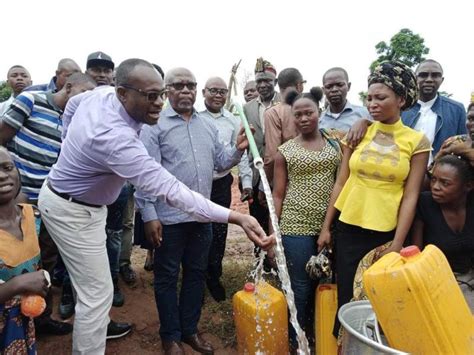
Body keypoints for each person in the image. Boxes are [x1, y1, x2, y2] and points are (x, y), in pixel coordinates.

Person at [37, 58, 272, 355]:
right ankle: (155, 338)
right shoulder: (115, 138)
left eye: (160, 93)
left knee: (183, 276)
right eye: (152, 95)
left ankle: (187, 330)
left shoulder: (103, 95)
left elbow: (72, 105)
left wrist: (68, 144)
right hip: (74, 210)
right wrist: (236, 217)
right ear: (123, 93)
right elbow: (169, 189)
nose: (159, 102)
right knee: (98, 296)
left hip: (93, 207)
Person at [136, 68, 252, 354]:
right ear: (167, 91)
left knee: (196, 274)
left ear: (196, 90)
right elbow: (144, 174)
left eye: (190, 85)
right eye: (179, 86)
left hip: (202, 217)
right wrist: (149, 214)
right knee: (166, 277)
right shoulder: (155, 126)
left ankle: (189, 330)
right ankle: (170, 336)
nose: (185, 90)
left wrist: (237, 150)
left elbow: (221, 162)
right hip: (168, 219)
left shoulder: (207, 126)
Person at [318, 61, 431, 336]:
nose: (372, 104)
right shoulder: (358, 133)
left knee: (379, 301)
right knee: (347, 297)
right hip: (349, 227)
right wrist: (325, 227)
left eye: (381, 98)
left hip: (386, 233)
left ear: (401, 99)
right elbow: (341, 182)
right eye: (369, 98)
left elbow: (411, 195)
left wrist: (397, 244)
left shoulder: (417, 141)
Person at [0, 73, 96, 335]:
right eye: (84, 96)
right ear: (67, 87)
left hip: (48, 205)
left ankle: (39, 319)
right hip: (15, 199)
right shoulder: (30, 101)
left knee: (43, 262)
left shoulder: (77, 121)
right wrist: (13, 187)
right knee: (9, 265)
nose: (88, 104)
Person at [272, 87, 342, 351]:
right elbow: (278, 195)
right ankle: (297, 340)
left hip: (330, 226)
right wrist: (274, 234)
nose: (303, 118)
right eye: (297, 114)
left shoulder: (336, 145)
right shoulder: (285, 151)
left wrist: (328, 226)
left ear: (319, 112)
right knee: (300, 286)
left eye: (308, 113)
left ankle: (321, 334)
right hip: (295, 225)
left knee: (324, 283)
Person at [199, 76, 252, 302]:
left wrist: (246, 182)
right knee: (197, 230)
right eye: (213, 90)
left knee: (219, 232)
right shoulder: (194, 119)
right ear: (204, 92)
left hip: (220, 183)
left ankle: (214, 276)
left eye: (222, 91)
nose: (218, 95)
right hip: (197, 184)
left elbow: (240, 154)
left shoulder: (232, 121)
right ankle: (196, 278)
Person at [0, 147, 50, 354]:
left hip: (24, 322)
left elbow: (42, 264)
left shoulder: (32, 215)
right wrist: (18, 284)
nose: (2, 175)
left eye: (7, 167)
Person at [412, 153, 474, 311]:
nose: (435, 186)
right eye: (433, 179)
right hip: (436, 281)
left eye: (445, 183)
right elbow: (416, 256)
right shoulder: (424, 203)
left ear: (468, 186)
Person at [243, 58, 281, 233]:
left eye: (268, 81)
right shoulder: (247, 108)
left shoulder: (286, 102)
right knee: (258, 222)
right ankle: (261, 258)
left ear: (276, 82)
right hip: (257, 174)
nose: (263, 85)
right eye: (259, 81)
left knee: (280, 221)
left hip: (282, 172)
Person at [402, 59, 466, 160]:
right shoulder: (401, 107)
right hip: (403, 171)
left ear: (442, 79)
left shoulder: (457, 110)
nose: (429, 79)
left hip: (439, 173)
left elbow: (465, 145)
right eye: (423, 75)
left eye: (435, 75)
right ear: (415, 78)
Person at [263, 67, 305, 184]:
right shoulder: (311, 110)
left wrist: (264, 185)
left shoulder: (273, 112)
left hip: (284, 180)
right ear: (299, 86)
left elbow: (271, 156)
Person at [319, 67, 370, 132]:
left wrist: (366, 122)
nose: (334, 89)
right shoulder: (319, 121)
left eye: (340, 85)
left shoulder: (365, 114)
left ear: (348, 86)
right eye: (329, 87)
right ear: (323, 90)